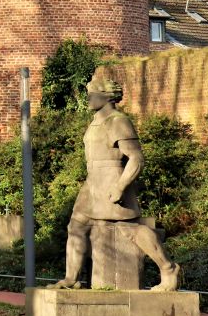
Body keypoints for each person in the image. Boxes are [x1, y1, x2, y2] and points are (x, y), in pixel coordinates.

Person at [51, 78, 179, 291]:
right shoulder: (95, 122)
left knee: (130, 228)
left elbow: (136, 158)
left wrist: (120, 186)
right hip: (92, 182)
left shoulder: (118, 121)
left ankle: (168, 268)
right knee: (76, 226)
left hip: (111, 178)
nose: (88, 98)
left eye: (92, 93)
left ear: (107, 96)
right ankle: (71, 278)